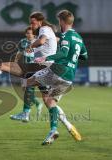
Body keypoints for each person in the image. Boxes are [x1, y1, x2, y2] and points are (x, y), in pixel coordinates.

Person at [23, 10, 88, 145]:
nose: (59, 22)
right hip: (69, 77)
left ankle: (25, 113)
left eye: (59, 20)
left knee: (28, 82)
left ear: (62, 21)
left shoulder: (65, 36)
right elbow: (84, 56)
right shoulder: (79, 38)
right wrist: (73, 57)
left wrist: (46, 57)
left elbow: (63, 53)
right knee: (51, 102)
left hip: (58, 71)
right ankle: (55, 130)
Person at [10, 26, 43, 122]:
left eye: (30, 33)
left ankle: (26, 112)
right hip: (25, 68)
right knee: (25, 88)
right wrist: (16, 60)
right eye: (27, 33)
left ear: (34, 34)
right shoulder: (23, 42)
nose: (29, 35)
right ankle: (37, 103)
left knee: (28, 87)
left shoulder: (38, 42)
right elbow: (20, 52)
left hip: (35, 68)